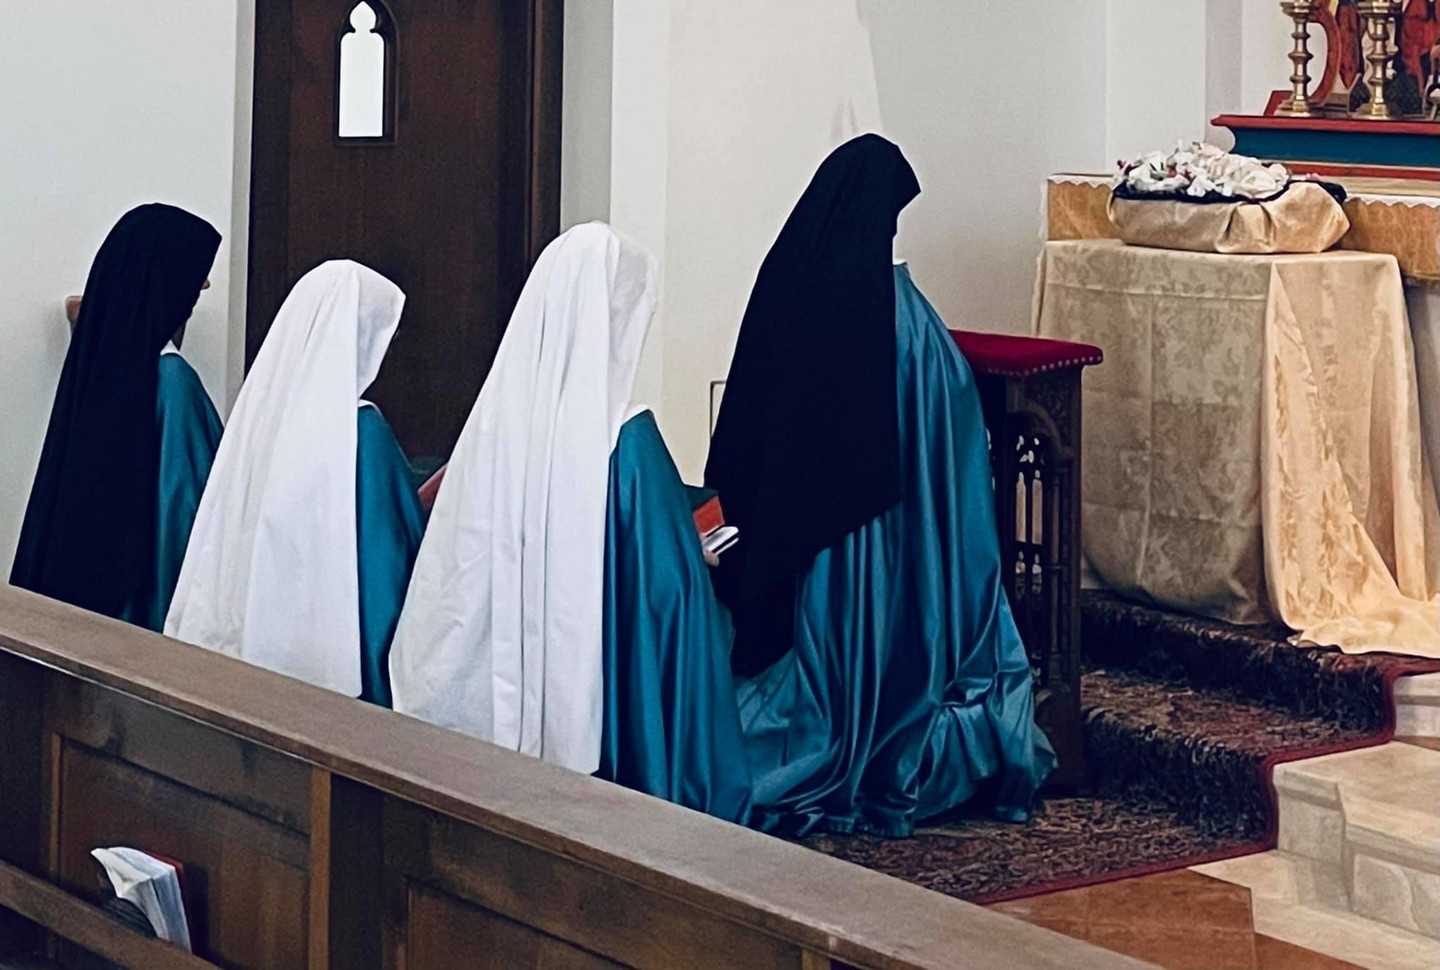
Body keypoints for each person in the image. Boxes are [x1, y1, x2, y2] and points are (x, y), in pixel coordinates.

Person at [707, 134, 1054, 836]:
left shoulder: (794, 279)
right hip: (884, 549)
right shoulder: (902, 319)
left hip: (805, 546)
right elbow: (949, 452)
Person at [388, 222, 751, 820]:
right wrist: (699, 555)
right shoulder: (627, 435)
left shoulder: (496, 424)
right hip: (611, 685)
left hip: (493, 702)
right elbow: (667, 588)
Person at [165, 260, 423, 707]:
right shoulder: (362, 432)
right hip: (340, 681)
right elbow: (390, 563)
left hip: (250, 670)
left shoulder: (262, 423)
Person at [12, 204, 222, 631]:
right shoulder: (173, 382)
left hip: (77, 617)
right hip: (145, 626)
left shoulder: (99, 364)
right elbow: (196, 516)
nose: (200, 289)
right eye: (194, 283)